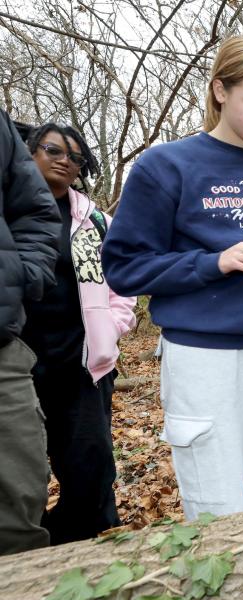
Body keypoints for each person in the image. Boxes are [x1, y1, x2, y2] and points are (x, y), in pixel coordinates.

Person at [102, 35, 243, 521]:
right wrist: (214, 262)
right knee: (216, 505)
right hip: (204, 357)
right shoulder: (166, 166)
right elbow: (123, 267)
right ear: (220, 91)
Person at [20, 122, 136, 544]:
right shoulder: (10, 213)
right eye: (53, 150)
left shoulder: (94, 221)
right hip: (19, 365)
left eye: (75, 157)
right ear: (29, 153)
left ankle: (89, 546)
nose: (65, 161)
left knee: (91, 465)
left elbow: (122, 284)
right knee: (23, 469)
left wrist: (114, 327)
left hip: (83, 365)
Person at [0, 109, 60, 555]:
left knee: (18, 506)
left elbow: (34, 212)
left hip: (5, 344)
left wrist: (22, 277)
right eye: (53, 151)